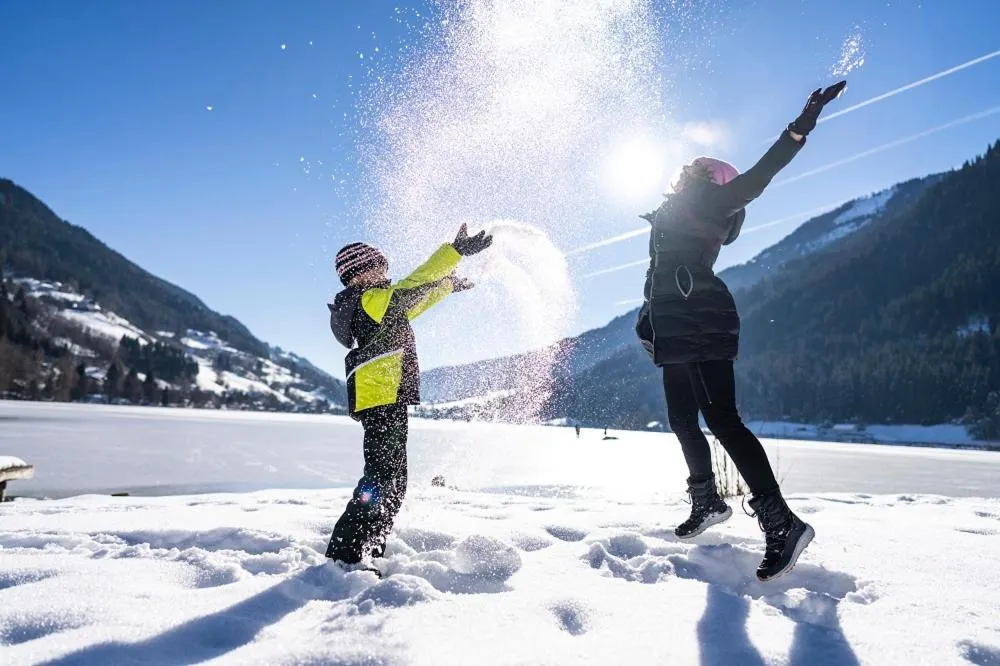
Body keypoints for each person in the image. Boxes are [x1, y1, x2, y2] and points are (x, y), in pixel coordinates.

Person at [635, 81, 847, 581]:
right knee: (683, 419)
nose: (693, 169)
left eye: (700, 169)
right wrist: (647, 318)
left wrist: (802, 125)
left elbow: (763, 174)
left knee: (723, 420)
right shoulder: (669, 217)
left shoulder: (711, 202)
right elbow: (655, 272)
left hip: (701, 316)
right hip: (671, 319)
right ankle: (707, 500)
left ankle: (782, 523)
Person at [325, 224, 492, 565]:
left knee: (395, 480)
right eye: (378, 267)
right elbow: (412, 286)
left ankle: (371, 546)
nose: (385, 273)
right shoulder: (368, 301)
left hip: (386, 398)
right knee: (382, 478)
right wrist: (454, 252)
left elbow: (413, 302)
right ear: (358, 274)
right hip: (382, 399)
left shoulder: (375, 304)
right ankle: (346, 555)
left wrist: (447, 285)